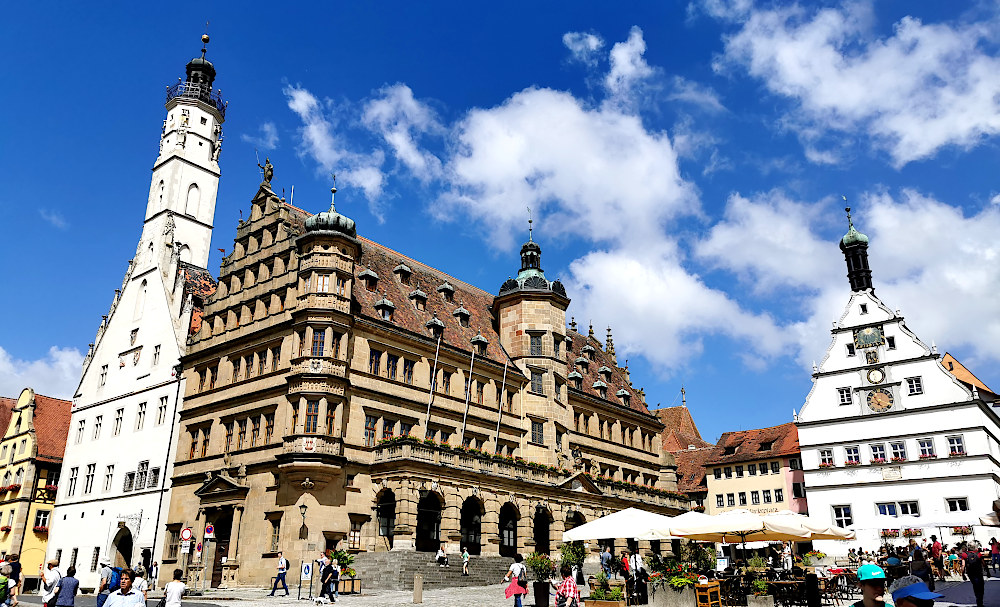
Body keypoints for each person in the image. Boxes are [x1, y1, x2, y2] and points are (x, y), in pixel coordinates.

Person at [960, 541, 986, 607]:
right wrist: (987, 572)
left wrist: (963, 575)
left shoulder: (964, 554)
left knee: (975, 586)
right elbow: (984, 563)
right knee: (981, 587)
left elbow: (963, 565)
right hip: (979, 573)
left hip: (971, 574)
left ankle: (978, 599)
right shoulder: (978, 554)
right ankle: (980, 601)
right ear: (974, 547)